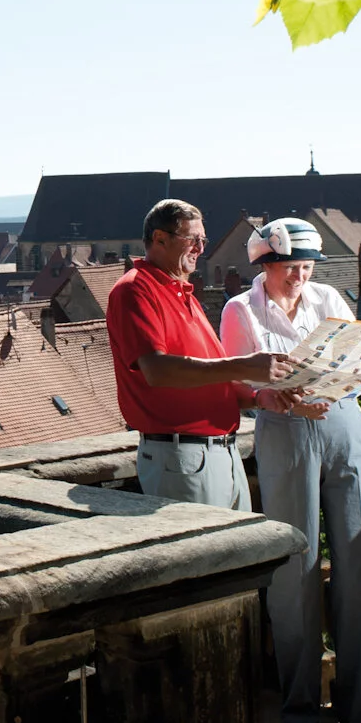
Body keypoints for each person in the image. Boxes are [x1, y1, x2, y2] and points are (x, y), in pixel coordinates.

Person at [219, 217, 361, 723]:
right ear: (265, 265)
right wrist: (278, 400)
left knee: (357, 567)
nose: (299, 278)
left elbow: (354, 369)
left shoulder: (327, 294)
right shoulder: (240, 310)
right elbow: (239, 385)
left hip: (344, 423)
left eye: (306, 268)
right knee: (294, 573)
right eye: (290, 269)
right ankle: (300, 711)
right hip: (285, 431)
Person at [106, 199, 297, 510]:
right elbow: (157, 370)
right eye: (191, 239)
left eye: (202, 240)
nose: (200, 248)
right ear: (159, 239)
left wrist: (259, 398)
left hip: (221, 452)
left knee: (241, 554)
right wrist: (244, 364)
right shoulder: (135, 290)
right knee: (213, 556)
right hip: (182, 458)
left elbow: (212, 379)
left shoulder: (183, 293)